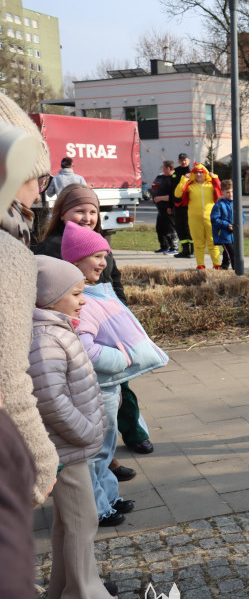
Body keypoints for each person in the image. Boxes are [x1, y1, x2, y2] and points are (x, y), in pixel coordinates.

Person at [28, 256, 129, 599]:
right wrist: (87, 431)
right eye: (75, 293)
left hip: (68, 444)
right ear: (48, 297)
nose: (82, 300)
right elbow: (51, 400)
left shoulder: (54, 330)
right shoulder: (45, 338)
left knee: (68, 522)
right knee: (82, 520)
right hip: (65, 446)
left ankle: (65, 589)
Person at [0, 96, 60, 599]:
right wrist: (41, 460)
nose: (40, 194)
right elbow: (6, 380)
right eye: (36, 179)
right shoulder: (7, 254)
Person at [34, 184, 154, 460]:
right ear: (62, 214)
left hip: (107, 323)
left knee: (121, 385)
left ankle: (134, 434)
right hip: (77, 327)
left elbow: (115, 281)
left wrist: (121, 313)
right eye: (79, 211)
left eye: (92, 211)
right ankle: (103, 462)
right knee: (93, 395)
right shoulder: (50, 248)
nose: (87, 217)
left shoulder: (98, 242)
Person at [61, 224, 168, 526]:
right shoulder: (79, 299)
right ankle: (97, 507)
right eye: (95, 256)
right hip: (95, 389)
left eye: (104, 256)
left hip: (108, 386)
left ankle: (108, 496)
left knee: (105, 450)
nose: (103, 262)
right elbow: (85, 349)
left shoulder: (90, 291)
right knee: (96, 453)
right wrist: (120, 359)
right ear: (75, 261)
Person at [174, 163, 222, 269]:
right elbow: (177, 194)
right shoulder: (190, 186)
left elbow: (220, 189)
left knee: (213, 241)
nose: (199, 175)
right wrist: (183, 179)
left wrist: (214, 177)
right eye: (196, 173)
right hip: (194, 218)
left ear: (205, 173)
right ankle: (200, 265)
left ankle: (217, 264)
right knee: (198, 242)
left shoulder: (211, 185)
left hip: (211, 218)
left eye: (201, 172)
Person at [151, 160, 179, 254]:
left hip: (169, 208)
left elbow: (173, 195)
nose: (162, 169)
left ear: (168, 168)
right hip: (161, 209)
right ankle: (164, 246)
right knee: (160, 228)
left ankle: (174, 248)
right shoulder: (163, 177)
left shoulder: (174, 178)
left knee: (170, 229)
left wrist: (160, 198)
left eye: (163, 167)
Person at [210, 179, 236, 271]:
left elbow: (242, 217)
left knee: (227, 254)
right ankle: (236, 272)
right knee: (233, 254)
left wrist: (238, 224)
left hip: (234, 234)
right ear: (222, 192)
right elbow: (214, 219)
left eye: (232, 191)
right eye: (228, 192)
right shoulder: (219, 205)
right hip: (224, 234)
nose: (231, 194)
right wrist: (226, 225)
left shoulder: (236, 203)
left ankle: (224, 268)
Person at [172, 154, 194, 259]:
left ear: (188, 160)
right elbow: (172, 187)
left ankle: (192, 250)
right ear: (179, 161)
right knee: (180, 227)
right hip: (177, 204)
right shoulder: (175, 172)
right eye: (181, 160)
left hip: (188, 204)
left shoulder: (193, 172)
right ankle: (185, 249)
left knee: (189, 227)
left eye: (185, 160)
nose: (183, 162)